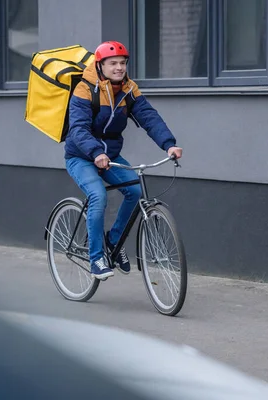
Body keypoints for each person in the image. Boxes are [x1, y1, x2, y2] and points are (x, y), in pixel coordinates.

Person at [64, 40, 182, 280]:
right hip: (81, 155)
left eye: (122, 63)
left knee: (135, 191)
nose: (119, 68)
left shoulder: (129, 89)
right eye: (113, 63)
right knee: (98, 195)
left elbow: (149, 117)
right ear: (100, 66)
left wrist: (169, 144)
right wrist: (96, 152)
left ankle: (114, 241)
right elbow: (77, 129)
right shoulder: (85, 89)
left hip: (111, 155)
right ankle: (96, 257)